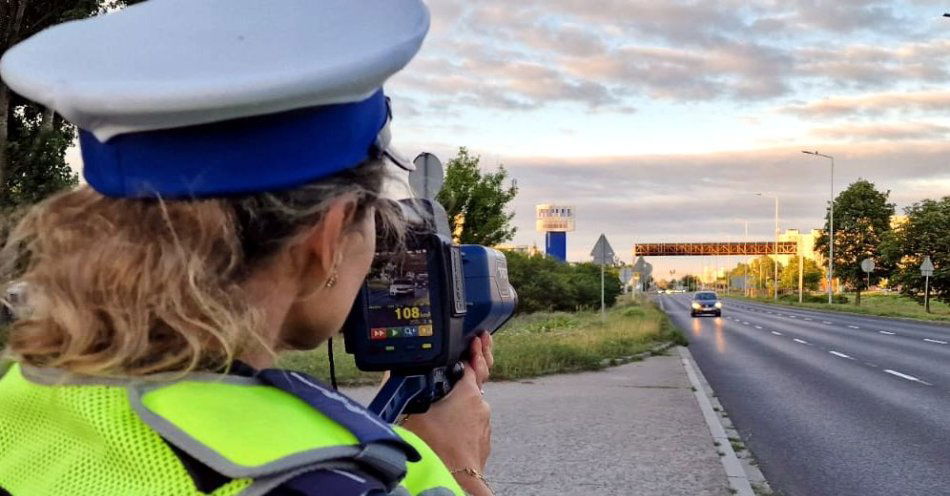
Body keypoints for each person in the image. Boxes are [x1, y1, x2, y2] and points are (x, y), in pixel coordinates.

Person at [0, 0, 494, 495]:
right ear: (326, 238)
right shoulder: (338, 483)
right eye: (372, 217)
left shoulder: (22, 395)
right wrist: (458, 468)